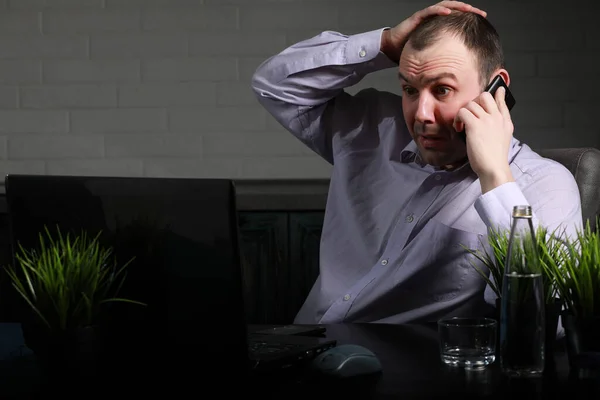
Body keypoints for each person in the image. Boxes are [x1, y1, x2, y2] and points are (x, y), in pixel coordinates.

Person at [251, 1, 583, 324]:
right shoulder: (371, 128)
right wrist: (384, 44)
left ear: (495, 89)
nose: (421, 115)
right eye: (410, 89)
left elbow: (549, 323)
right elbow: (274, 86)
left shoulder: (545, 184)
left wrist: (495, 177)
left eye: (442, 90)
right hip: (307, 344)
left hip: (408, 372)